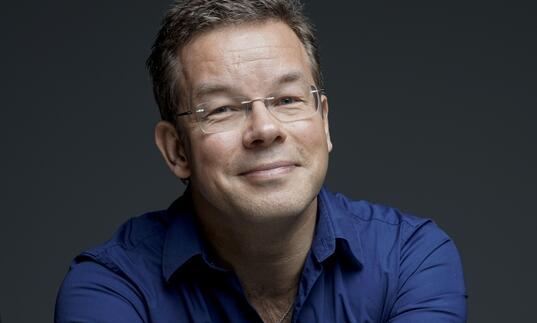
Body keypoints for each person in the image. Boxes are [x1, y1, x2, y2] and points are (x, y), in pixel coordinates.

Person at [55, 0, 467, 322]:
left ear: (323, 122)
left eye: (287, 100)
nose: (265, 130)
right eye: (221, 109)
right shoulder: (111, 287)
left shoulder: (411, 259)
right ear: (176, 150)